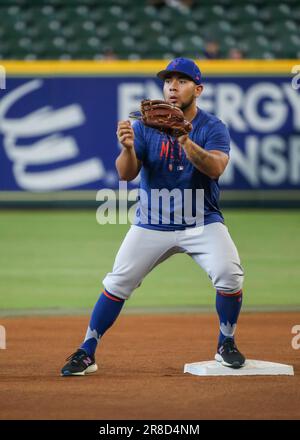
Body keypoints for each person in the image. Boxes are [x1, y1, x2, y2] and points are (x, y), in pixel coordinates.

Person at [61, 57, 245, 376]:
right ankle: (86, 350)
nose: (172, 86)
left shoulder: (213, 127)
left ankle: (225, 344)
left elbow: (215, 168)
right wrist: (128, 148)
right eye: (168, 80)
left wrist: (184, 138)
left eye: (182, 81)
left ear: (198, 89)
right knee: (118, 283)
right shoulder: (143, 125)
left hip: (203, 222)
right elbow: (125, 174)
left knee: (229, 276)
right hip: (152, 223)